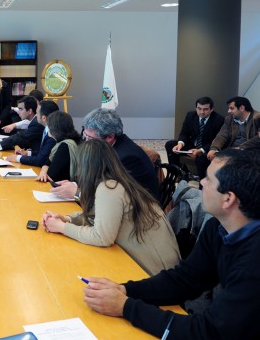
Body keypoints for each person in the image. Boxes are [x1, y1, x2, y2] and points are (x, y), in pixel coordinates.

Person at [82, 149, 260, 339]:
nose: (201, 182)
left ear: (228, 199)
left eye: (208, 179)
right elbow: (185, 279)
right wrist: (125, 290)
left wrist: (125, 307)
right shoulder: (219, 227)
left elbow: (208, 332)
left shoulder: (253, 261)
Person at [42, 138, 180, 275]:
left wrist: (61, 227)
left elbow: (101, 237)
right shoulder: (117, 180)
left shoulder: (109, 188)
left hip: (155, 271)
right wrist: (67, 219)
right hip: (160, 265)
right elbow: (98, 216)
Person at [51, 108, 160, 200]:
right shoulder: (109, 148)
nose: (86, 142)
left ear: (110, 137)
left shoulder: (127, 158)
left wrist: (77, 193)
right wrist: (74, 185)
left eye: (90, 138)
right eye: (85, 135)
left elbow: (113, 198)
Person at [196, 96, 260, 179]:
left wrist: (239, 148)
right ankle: (204, 187)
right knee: (203, 158)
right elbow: (222, 135)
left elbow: (258, 139)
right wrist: (214, 148)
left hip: (249, 152)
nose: (229, 111)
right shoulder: (229, 119)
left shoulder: (258, 117)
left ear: (242, 108)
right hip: (230, 151)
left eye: (231, 108)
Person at [165, 96, 224, 175]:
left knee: (202, 157)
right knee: (170, 144)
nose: (202, 112)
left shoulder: (219, 120)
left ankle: (202, 182)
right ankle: (178, 174)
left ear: (211, 109)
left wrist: (200, 150)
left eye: (205, 109)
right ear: (196, 108)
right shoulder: (190, 115)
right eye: (199, 108)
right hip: (192, 145)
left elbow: (216, 141)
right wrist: (180, 144)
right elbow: (184, 133)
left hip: (206, 148)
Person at [4, 100, 58, 167]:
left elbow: (40, 160)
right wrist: (28, 153)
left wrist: (18, 158)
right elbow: (43, 153)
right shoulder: (48, 130)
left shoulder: (52, 135)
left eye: (37, 113)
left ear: (44, 118)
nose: (36, 115)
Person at [36, 111, 81, 183]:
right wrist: (43, 170)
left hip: (61, 188)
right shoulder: (73, 140)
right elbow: (47, 162)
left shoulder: (65, 147)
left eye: (49, 127)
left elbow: (50, 176)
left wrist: (44, 171)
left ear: (54, 129)